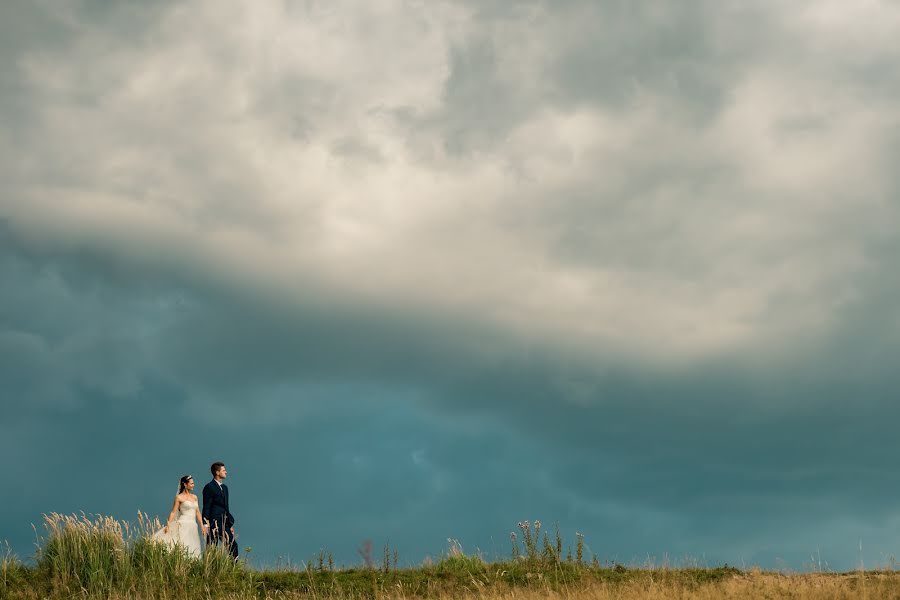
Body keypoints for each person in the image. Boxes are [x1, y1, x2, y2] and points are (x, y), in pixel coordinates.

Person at [152, 475, 207, 558]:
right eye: (191, 483)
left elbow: (198, 512)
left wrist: (202, 526)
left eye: (193, 483)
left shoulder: (195, 497)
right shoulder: (179, 497)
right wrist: (168, 525)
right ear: (185, 484)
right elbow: (173, 512)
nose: (193, 485)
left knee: (193, 545)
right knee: (183, 544)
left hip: (193, 525)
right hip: (183, 524)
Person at [202, 462, 238, 559]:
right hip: (213, 523)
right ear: (217, 472)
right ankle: (209, 569)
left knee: (233, 545)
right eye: (223, 470)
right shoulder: (209, 487)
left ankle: (233, 569)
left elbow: (226, 507)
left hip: (224, 522)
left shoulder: (225, 488)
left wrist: (229, 524)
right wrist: (205, 524)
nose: (226, 472)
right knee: (211, 547)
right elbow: (206, 506)